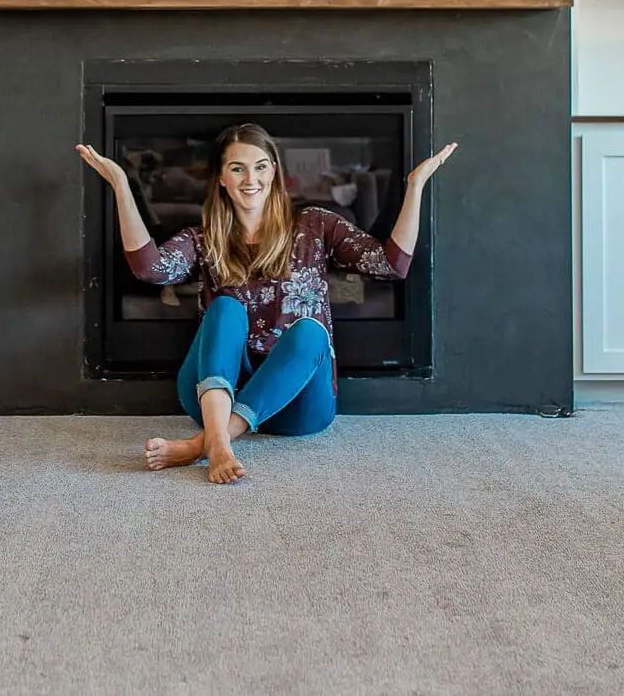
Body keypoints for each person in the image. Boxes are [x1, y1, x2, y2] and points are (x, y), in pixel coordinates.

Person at [76, 123, 457, 485]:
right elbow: (150, 269)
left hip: (299, 405)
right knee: (225, 308)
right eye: (237, 168)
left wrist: (415, 186)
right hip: (216, 398)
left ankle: (205, 445)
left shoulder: (315, 225)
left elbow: (390, 265)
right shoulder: (204, 239)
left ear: (274, 171)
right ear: (221, 178)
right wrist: (121, 186)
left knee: (311, 333)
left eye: (260, 166)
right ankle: (218, 442)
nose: (250, 178)